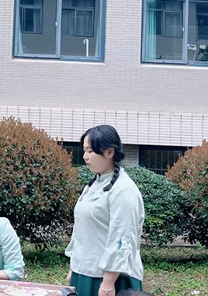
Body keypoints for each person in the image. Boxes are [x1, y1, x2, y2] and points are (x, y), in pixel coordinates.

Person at [65, 125, 145, 296]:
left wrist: (108, 283)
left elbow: (122, 236)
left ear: (109, 152)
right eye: (84, 151)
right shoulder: (94, 184)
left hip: (111, 278)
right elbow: (81, 230)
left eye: (90, 151)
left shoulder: (124, 189)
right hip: (84, 272)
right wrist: (73, 267)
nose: (85, 156)